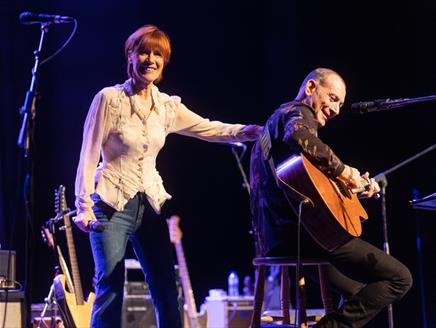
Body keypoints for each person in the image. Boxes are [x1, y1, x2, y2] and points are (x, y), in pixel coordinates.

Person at [73, 24, 262, 328]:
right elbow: (88, 153)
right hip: (109, 205)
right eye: (144, 52)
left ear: (164, 61)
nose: (151, 59)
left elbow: (207, 127)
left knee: (164, 283)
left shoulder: (166, 107)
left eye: (157, 54)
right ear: (130, 57)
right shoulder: (110, 99)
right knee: (110, 286)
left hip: (149, 204)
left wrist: (249, 132)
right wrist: (82, 206)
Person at [249, 68, 412, 327]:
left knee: (361, 293)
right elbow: (299, 135)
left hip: (282, 238)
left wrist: (352, 189)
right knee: (400, 278)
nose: (336, 109)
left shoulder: (277, 121)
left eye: (341, 104)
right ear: (311, 87)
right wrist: (345, 171)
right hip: (305, 237)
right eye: (333, 98)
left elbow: (305, 189)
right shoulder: (298, 113)